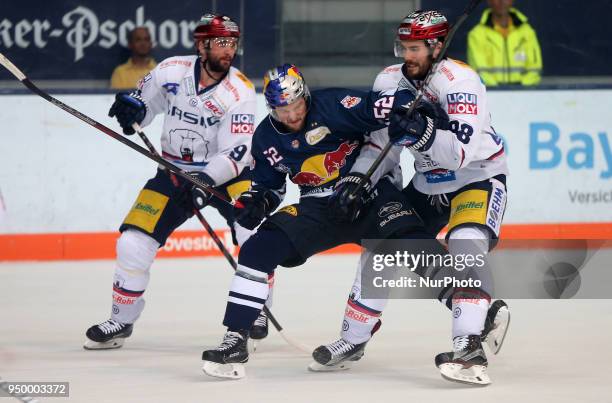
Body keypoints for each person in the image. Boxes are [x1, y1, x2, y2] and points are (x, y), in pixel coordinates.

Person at [312, 10, 511, 385]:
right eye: (403, 46)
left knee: (467, 243)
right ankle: (353, 339)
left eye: (416, 48)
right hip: (427, 183)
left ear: (436, 46)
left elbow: (460, 155)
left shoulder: (461, 81)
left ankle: (469, 347)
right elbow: (379, 142)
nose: (408, 55)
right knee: (379, 247)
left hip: (476, 177)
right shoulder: (389, 79)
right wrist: (359, 179)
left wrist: (421, 133)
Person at [200, 63, 433, 379]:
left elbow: (383, 104)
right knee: (256, 250)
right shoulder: (266, 138)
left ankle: (475, 308)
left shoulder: (333, 105)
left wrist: (407, 105)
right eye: (283, 110)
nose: (292, 115)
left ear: (305, 95)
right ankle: (235, 339)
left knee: (412, 246)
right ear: (272, 109)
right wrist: (257, 203)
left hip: (368, 193)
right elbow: (270, 187)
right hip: (318, 207)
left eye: (296, 106)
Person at [84, 13, 261, 350]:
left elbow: (237, 154)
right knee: (133, 242)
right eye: (221, 43)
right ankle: (122, 319)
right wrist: (132, 112)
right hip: (174, 172)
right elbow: (143, 105)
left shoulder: (240, 91)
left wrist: (204, 180)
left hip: (227, 175)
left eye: (233, 43)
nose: (229, 50)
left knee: (254, 235)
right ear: (202, 44)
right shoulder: (170, 71)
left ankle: (257, 310)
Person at [467, 0, 542, 86]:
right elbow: (479, 71)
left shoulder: (527, 32)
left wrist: (520, 90)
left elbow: (534, 69)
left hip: (524, 94)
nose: (502, 1)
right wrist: (499, 92)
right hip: (490, 94)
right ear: (489, 1)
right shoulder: (476, 34)